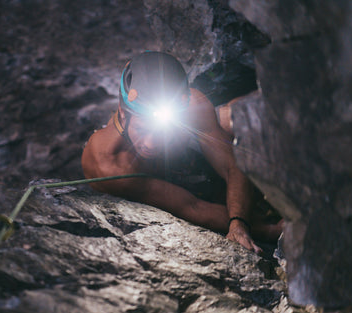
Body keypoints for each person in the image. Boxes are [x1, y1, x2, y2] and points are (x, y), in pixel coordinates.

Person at [81, 51, 282, 253]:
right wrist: (268, 230)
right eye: (142, 130)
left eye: (160, 130)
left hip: (181, 156)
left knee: (239, 117)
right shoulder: (109, 165)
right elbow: (192, 206)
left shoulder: (191, 104)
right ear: (123, 115)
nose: (151, 143)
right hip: (157, 185)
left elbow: (232, 165)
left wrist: (239, 223)